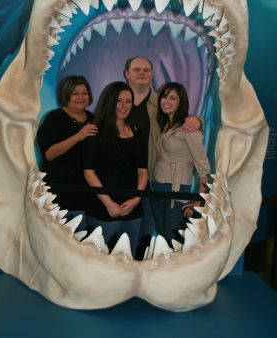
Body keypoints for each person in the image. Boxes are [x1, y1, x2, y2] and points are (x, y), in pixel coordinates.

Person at [124, 57, 202, 257]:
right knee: (122, 239)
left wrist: (198, 120)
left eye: (146, 70)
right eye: (136, 69)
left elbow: (186, 122)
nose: (142, 73)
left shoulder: (161, 105)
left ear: (151, 74)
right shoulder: (119, 102)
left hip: (153, 186)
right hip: (121, 183)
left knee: (151, 238)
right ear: (127, 73)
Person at [83, 82, 148, 255]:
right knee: (101, 262)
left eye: (128, 101)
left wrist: (136, 199)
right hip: (103, 208)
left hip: (132, 209)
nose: (124, 106)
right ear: (110, 101)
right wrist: (109, 203)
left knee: (129, 260)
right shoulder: (95, 131)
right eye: (119, 101)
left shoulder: (137, 132)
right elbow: (89, 172)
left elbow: (143, 171)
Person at [150, 82, 210, 246]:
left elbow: (203, 167)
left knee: (173, 245)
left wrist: (199, 201)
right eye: (164, 96)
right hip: (156, 193)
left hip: (176, 196)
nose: (166, 101)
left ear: (181, 102)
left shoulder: (188, 128)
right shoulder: (165, 126)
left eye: (172, 98)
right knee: (162, 240)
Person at [37, 75, 98, 230]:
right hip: (62, 193)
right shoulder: (54, 118)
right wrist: (78, 136)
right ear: (66, 94)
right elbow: (49, 154)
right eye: (75, 93)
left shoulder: (93, 119)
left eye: (84, 93)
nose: (81, 97)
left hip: (89, 194)